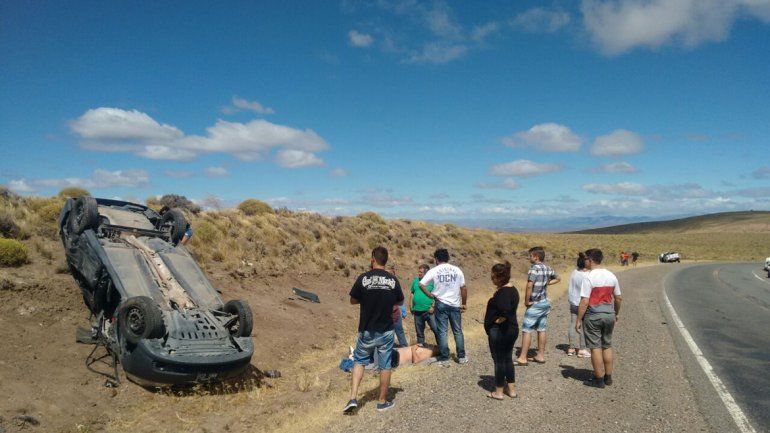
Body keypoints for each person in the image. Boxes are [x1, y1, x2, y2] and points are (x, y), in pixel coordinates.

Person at [344, 247, 404, 413]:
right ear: (386, 260)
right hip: (385, 330)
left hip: (366, 329)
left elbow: (352, 300)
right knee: (385, 365)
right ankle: (382, 401)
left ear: (373, 259)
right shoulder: (392, 280)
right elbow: (400, 301)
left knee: (359, 361)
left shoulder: (363, 278)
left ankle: (353, 398)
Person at [576, 248, 623, 388]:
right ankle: (608, 377)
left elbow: (584, 301)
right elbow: (618, 297)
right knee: (607, 345)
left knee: (595, 347)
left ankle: (599, 379)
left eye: (586, 259)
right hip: (609, 314)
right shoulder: (611, 276)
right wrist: (616, 313)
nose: (585, 262)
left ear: (590, 260)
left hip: (593, 315)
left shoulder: (588, 277)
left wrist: (578, 320)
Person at [419, 248, 468, 367]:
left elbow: (421, 284)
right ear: (448, 258)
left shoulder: (434, 271)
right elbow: (463, 288)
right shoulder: (457, 270)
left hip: (440, 303)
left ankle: (445, 359)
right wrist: (464, 303)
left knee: (442, 332)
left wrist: (430, 295)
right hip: (455, 304)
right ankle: (461, 357)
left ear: (436, 259)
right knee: (457, 331)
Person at [515, 246, 560, 366]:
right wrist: (546, 283)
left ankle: (523, 357)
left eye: (530, 256)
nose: (529, 258)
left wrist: (526, 301)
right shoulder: (547, 268)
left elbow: (529, 285)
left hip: (535, 303)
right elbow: (558, 278)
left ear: (536, 257)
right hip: (545, 302)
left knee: (527, 330)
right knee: (541, 329)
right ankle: (540, 355)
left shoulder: (534, 269)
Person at [484, 261, 519, 400]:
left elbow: (504, 309)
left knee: (499, 360)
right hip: (511, 329)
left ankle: (498, 392)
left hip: (501, 331)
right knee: (507, 359)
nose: (491, 278)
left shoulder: (503, 292)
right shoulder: (512, 289)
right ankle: (511, 390)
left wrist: (497, 321)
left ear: (499, 277)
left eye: (492, 276)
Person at [567, 253, 591, 358]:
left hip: (573, 302)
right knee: (584, 325)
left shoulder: (574, 272)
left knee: (573, 323)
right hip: (583, 303)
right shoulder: (588, 275)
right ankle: (582, 348)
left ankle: (571, 348)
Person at [409, 264, 438, 346]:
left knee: (436, 329)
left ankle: (442, 348)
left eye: (421, 272)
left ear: (426, 273)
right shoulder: (415, 281)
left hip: (429, 311)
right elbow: (412, 292)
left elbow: (437, 295)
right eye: (419, 271)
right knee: (419, 332)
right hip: (417, 311)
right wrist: (410, 305)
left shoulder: (432, 282)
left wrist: (433, 306)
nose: (419, 273)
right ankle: (421, 351)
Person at [389, 265, 409, 347]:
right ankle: (390, 349)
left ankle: (404, 348)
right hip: (385, 315)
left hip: (395, 313)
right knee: (389, 333)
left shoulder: (395, 285)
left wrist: (404, 312)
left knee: (399, 331)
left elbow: (401, 299)